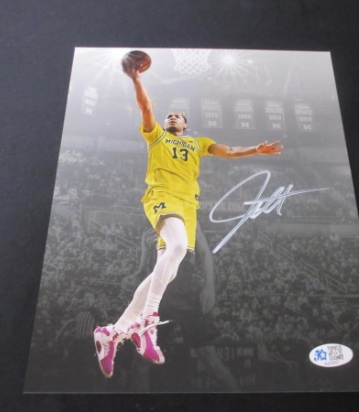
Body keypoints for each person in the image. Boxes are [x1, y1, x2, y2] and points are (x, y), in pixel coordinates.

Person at [93, 57, 283, 379]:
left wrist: (256, 150)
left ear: (185, 125)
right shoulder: (157, 136)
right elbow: (146, 107)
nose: (172, 116)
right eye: (169, 114)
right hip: (162, 197)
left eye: (178, 116)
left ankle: (113, 332)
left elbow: (229, 151)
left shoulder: (199, 143)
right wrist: (136, 79)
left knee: (164, 270)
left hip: (187, 207)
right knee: (178, 248)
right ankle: (147, 322)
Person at [123, 224, 240, 392]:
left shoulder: (188, 220)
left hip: (186, 294)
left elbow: (205, 253)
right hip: (159, 295)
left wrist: (210, 286)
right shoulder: (150, 227)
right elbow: (143, 269)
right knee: (141, 359)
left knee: (208, 357)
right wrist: (134, 276)